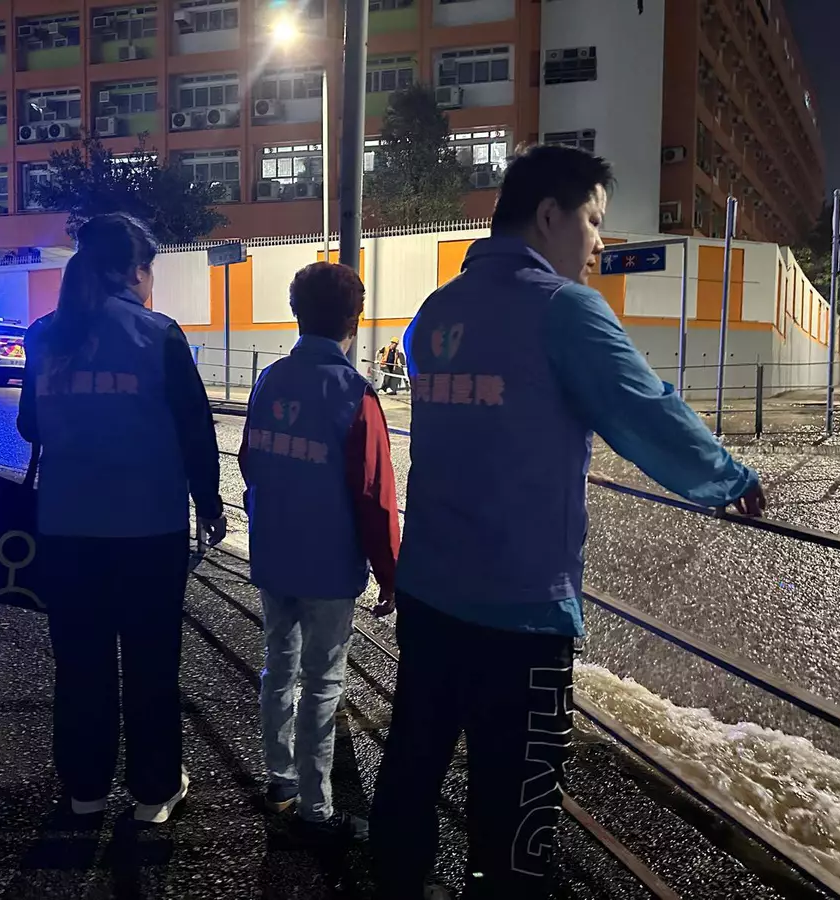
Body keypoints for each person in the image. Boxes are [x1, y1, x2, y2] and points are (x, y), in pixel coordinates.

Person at [369, 145, 767, 900]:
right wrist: (730, 478)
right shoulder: (564, 308)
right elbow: (644, 412)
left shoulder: (436, 310)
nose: (598, 242)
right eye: (592, 220)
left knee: (413, 764)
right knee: (514, 807)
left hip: (429, 590)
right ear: (550, 215)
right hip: (519, 610)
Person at [16, 213, 227, 824]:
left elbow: (29, 426)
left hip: (65, 528)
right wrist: (209, 502)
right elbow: (195, 430)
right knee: (151, 662)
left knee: (80, 663)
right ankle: (153, 793)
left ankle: (85, 789)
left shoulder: (44, 334)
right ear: (137, 271)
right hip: (148, 530)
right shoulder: (159, 335)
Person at [240, 262, 400, 842]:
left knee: (277, 666)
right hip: (329, 564)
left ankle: (279, 780)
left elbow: (249, 460)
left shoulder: (269, 380)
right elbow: (375, 496)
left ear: (296, 313)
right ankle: (317, 809)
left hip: (274, 552)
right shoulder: (355, 394)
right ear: (354, 321)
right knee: (323, 681)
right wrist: (390, 574)